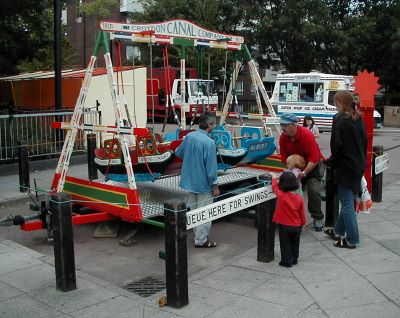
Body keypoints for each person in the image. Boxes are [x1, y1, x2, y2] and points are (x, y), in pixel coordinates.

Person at [325, 91, 367, 249]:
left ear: (340, 102)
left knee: (347, 204)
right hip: (358, 165)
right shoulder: (359, 118)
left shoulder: (339, 119)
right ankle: (338, 230)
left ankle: (352, 239)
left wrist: (330, 162)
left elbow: (336, 146)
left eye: (335, 102)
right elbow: (364, 143)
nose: (335, 105)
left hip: (345, 166)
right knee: (348, 200)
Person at [175, 112, 220, 248]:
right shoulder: (209, 142)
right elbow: (211, 169)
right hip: (203, 183)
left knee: (194, 210)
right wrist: (215, 186)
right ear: (209, 125)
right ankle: (201, 240)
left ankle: (198, 236)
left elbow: (178, 152)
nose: (215, 126)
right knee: (204, 212)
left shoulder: (189, 136)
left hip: (189, 181)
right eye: (214, 123)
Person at [279, 113, 325, 231]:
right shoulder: (283, 137)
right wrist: (291, 171)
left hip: (312, 166)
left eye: (284, 125)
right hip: (294, 167)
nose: (282, 128)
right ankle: (292, 218)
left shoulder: (307, 135)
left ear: (294, 125)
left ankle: (317, 216)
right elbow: (284, 157)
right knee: (289, 192)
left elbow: (314, 159)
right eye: (281, 125)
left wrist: (303, 173)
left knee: (313, 190)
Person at [272, 171, 306, 267]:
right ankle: (294, 259)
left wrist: (274, 177)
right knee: (295, 244)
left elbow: (274, 187)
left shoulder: (282, 196)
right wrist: (303, 223)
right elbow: (302, 213)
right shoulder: (299, 198)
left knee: (285, 244)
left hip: (284, 225)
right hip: (297, 226)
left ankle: (286, 261)